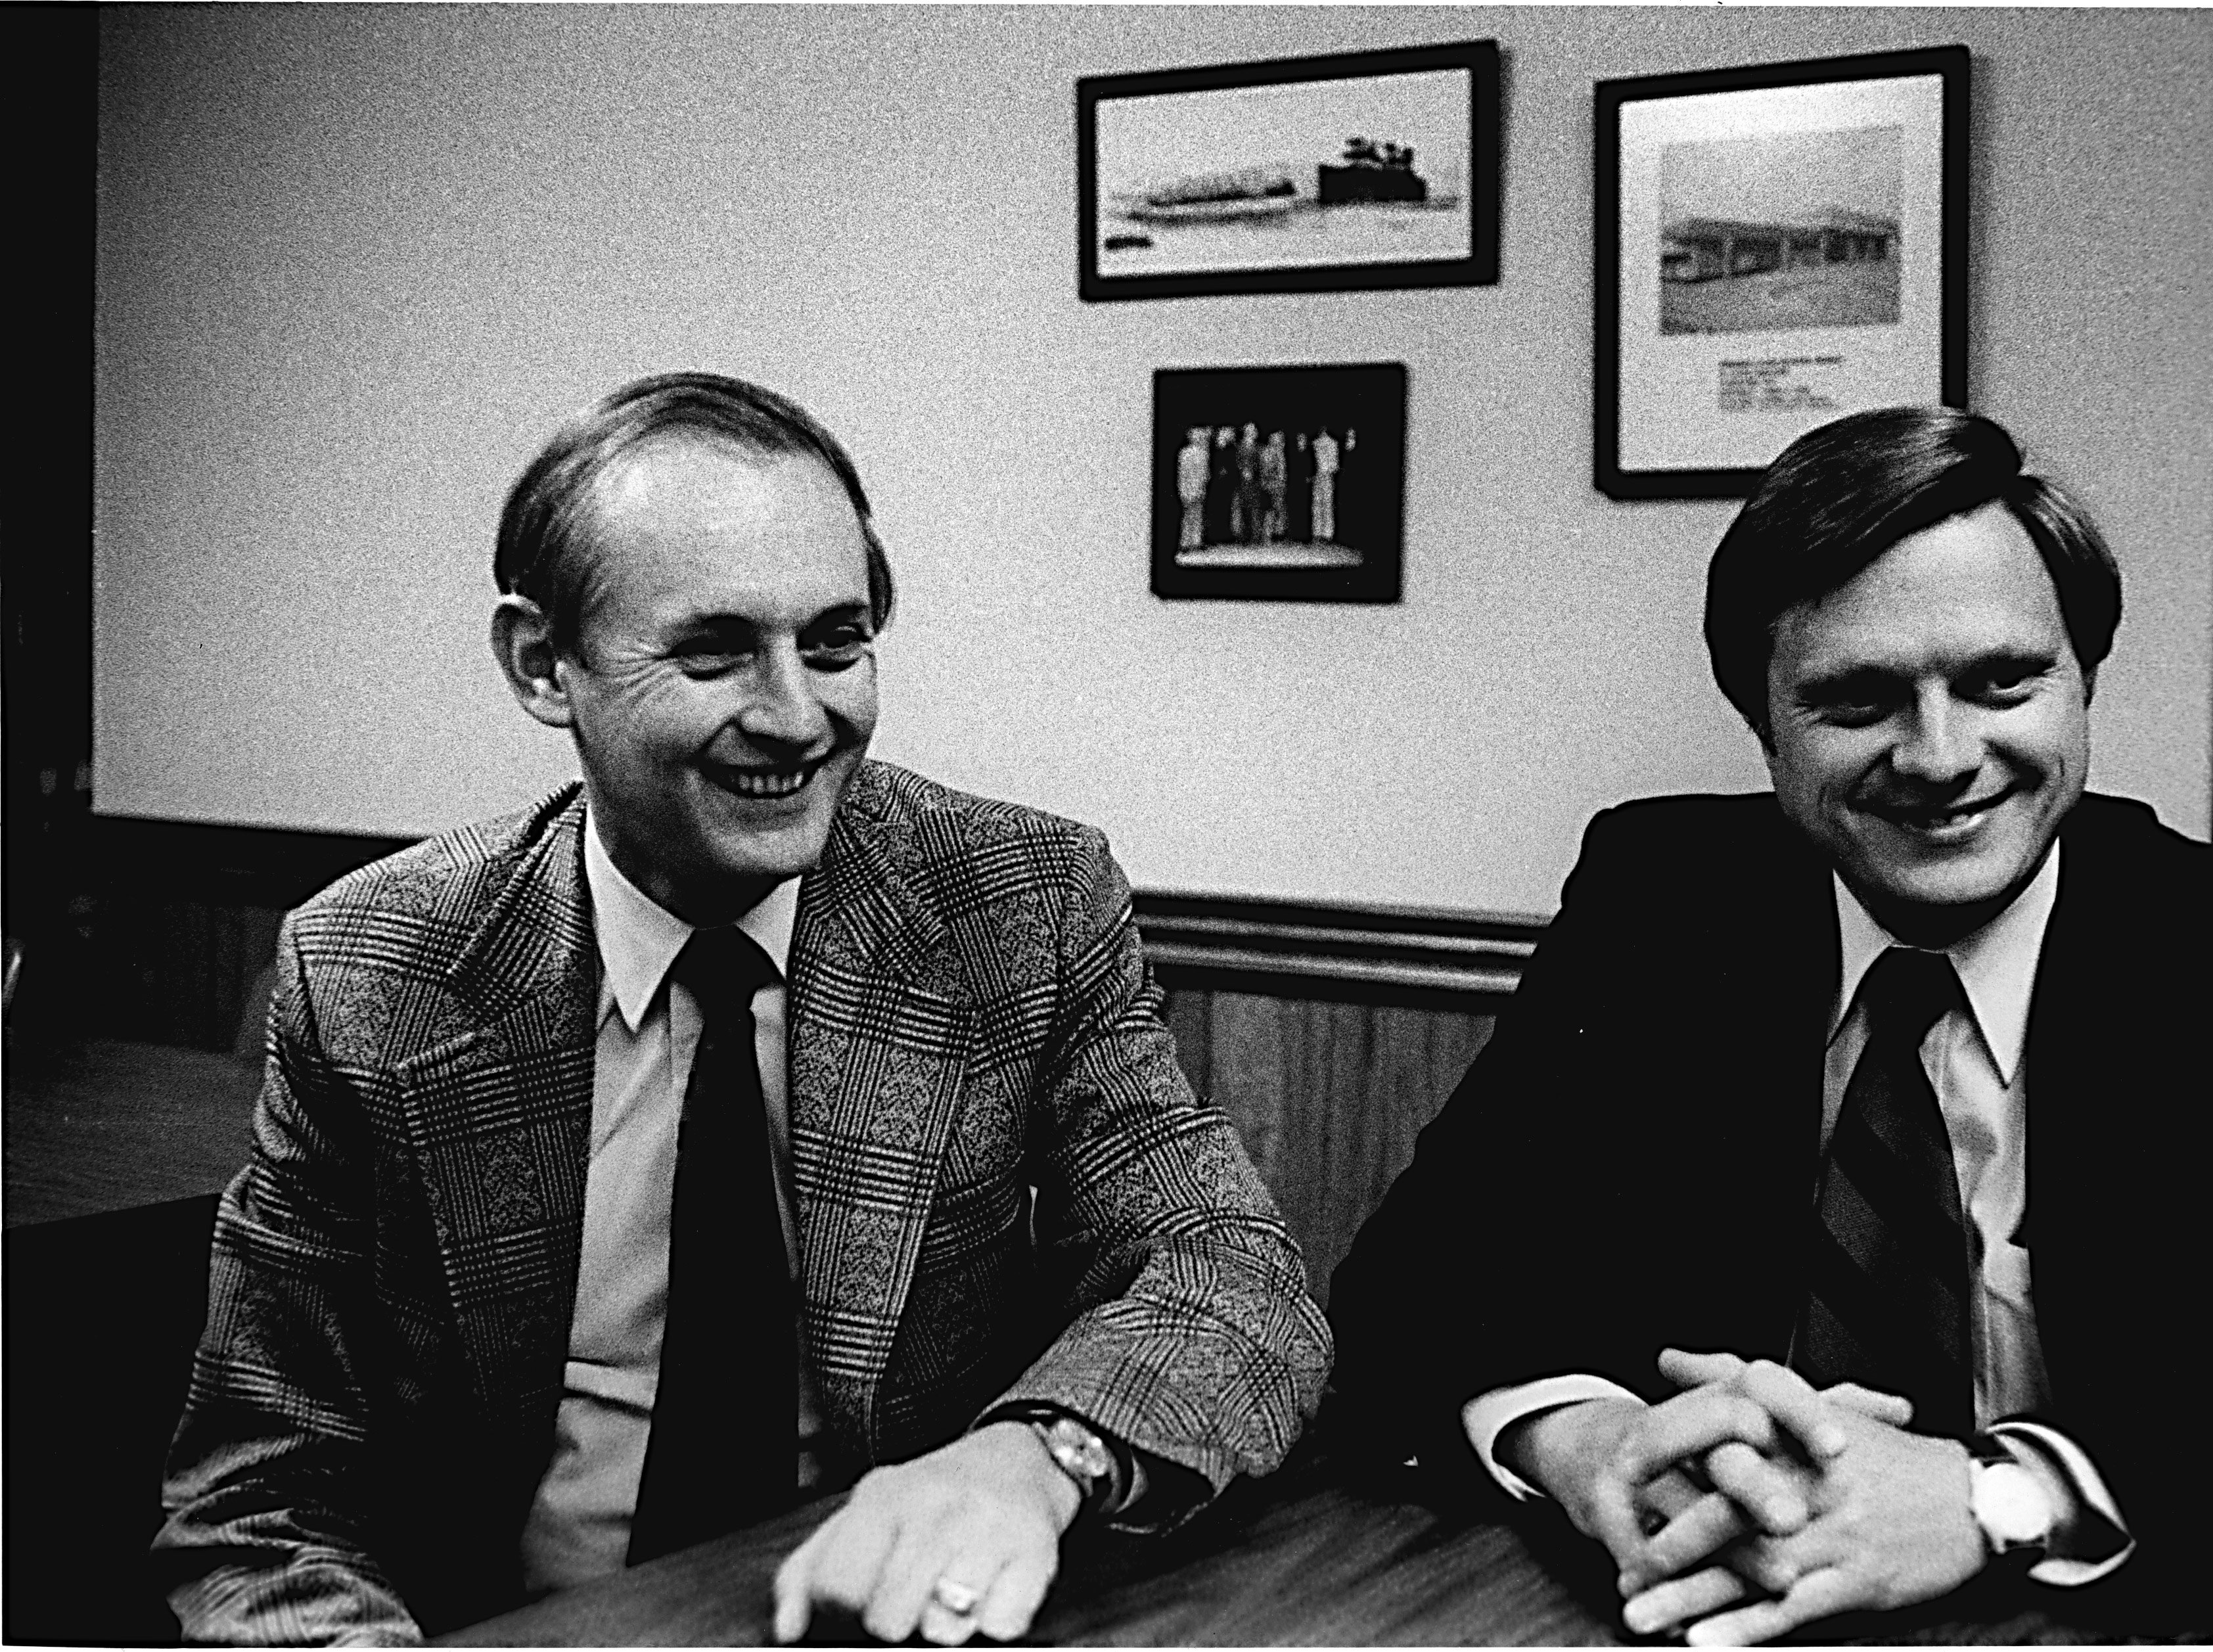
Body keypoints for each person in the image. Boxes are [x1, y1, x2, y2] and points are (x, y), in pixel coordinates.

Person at [156, 372, 1332, 1645]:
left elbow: (1234, 1277)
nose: (795, 716)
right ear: (542, 663)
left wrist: (1032, 1461)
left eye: (834, 644)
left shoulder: (1015, 906)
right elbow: (260, 1498)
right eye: (715, 653)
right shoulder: (373, 969)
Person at [1331, 406, 2213, 1644]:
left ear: (2083, 681)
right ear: (1761, 719)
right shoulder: (1660, 895)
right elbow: (1408, 1296)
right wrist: (1593, 1443)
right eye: (1856, 701)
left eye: (2002, 682)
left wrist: (1995, 1496)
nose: (1941, 756)